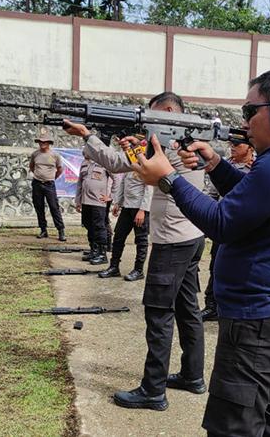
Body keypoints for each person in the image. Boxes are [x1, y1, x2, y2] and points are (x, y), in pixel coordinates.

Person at [132, 70, 270, 436]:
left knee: (233, 428)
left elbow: (222, 222)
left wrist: (168, 178)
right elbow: (259, 199)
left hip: (257, 323)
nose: (243, 123)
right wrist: (215, 165)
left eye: (249, 110)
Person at [63, 92, 206, 412]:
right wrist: (124, 142)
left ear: (170, 112)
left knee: (159, 314)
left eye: (153, 116)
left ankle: (153, 391)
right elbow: (124, 162)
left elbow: (127, 167)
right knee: (187, 310)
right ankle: (193, 376)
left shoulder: (173, 146)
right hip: (192, 235)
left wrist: (89, 136)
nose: (147, 124)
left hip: (172, 240)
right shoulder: (190, 138)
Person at [200, 139, 255, 322]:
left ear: (250, 148)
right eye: (231, 145)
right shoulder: (224, 165)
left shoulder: (256, 169)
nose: (232, 148)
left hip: (244, 227)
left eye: (237, 145)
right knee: (216, 265)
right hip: (224, 222)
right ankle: (211, 305)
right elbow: (212, 194)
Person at [97, 171, 152, 281]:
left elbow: (149, 190)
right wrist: (118, 203)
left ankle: (138, 270)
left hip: (140, 209)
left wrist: (143, 210)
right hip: (127, 207)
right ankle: (114, 267)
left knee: (141, 241)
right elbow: (122, 185)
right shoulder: (129, 167)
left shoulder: (146, 167)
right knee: (118, 237)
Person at [75, 156, 114, 265]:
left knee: (99, 226)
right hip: (85, 201)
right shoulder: (85, 163)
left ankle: (102, 254)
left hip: (98, 201)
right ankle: (94, 250)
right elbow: (80, 183)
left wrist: (111, 196)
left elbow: (117, 179)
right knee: (88, 225)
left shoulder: (105, 161)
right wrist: (78, 200)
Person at [29, 132, 66, 241]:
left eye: (44, 142)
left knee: (54, 207)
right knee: (39, 207)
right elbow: (31, 166)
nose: (42, 143)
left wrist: (52, 177)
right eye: (40, 141)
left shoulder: (55, 155)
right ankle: (43, 230)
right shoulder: (35, 154)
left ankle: (61, 230)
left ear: (49, 143)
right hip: (37, 183)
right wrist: (38, 175)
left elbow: (60, 169)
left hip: (49, 184)